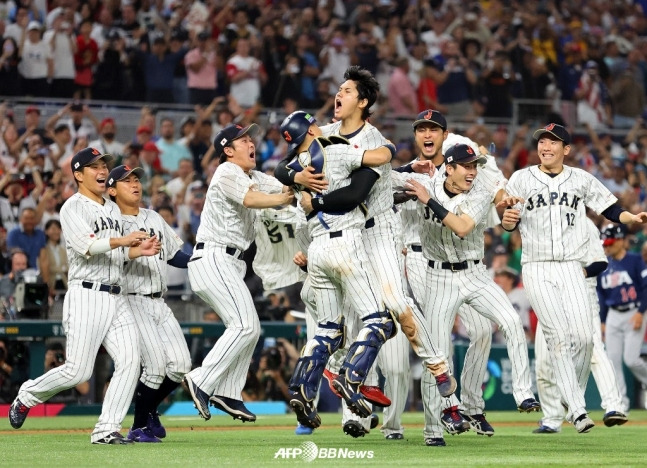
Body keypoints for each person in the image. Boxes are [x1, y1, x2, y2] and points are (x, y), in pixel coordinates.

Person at [497, 123, 647, 433]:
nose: (546, 146)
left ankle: (570, 398)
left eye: (553, 142)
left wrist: (629, 217)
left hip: (570, 267)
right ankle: (577, 410)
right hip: (537, 265)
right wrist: (508, 220)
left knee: (584, 339)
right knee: (559, 338)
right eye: (542, 141)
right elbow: (508, 217)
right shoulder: (521, 178)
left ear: (566, 149)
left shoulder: (580, 178)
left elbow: (609, 206)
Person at [8, 147, 161, 445]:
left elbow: (115, 252)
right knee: (78, 372)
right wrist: (123, 240)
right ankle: (27, 394)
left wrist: (134, 251)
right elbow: (88, 246)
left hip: (117, 295)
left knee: (131, 361)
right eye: (94, 166)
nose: (102, 170)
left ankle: (106, 429)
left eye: (103, 164)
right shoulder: (72, 207)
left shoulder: (113, 208)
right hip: (86, 294)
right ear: (78, 174)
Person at [404, 144, 540, 447]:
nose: (472, 171)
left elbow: (463, 227)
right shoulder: (426, 183)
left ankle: (523, 393)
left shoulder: (478, 191)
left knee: (511, 321)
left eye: (474, 165)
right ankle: (432, 430)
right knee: (437, 356)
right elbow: (386, 182)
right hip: (438, 276)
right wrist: (405, 177)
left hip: (475, 273)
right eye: (465, 166)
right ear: (448, 168)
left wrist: (429, 202)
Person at [277, 109, 401, 430]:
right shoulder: (335, 148)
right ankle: (351, 376)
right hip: (346, 243)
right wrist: (389, 147)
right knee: (380, 321)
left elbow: (280, 170)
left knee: (328, 329)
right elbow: (381, 157)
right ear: (311, 129)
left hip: (316, 250)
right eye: (314, 123)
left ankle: (302, 389)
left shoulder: (293, 167)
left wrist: (296, 179)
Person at [182, 123, 294, 423]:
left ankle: (229, 392)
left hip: (230, 262)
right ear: (228, 150)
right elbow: (252, 200)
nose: (250, 143)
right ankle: (201, 380)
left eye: (250, 139)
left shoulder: (252, 176)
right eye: (243, 139)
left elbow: (285, 188)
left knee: (250, 328)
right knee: (245, 326)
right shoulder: (226, 171)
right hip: (214, 255)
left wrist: (299, 178)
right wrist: (283, 198)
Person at [106, 164, 192, 443]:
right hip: (131, 300)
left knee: (180, 364)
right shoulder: (111, 221)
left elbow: (175, 254)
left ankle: (150, 409)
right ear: (112, 190)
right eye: (126, 181)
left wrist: (203, 260)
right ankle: (139, 426)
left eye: (136, 179)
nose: (135, 184)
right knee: (154, 367)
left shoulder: (153, 216)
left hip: (159, 300)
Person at [533, 219, 628, 433]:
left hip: (582, 292)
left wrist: (575, 275)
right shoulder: (540, 220)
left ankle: (613, 405)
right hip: (549, 294)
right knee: (544, 361)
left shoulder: (584, 225)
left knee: (593, 349)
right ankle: (552, 418)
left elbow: (600, 262)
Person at [597, 224, 647, 412]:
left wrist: (641, 312)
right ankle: (620, 404)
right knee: (612, 361)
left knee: (631, 359)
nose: (606, 247)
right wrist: (602, 321)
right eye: (605, 244)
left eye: (609, 243)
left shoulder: (634, 260)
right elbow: (601, 295)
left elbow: (645, 288)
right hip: (613, 315)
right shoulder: (603, 264)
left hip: (634, 311)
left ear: (620, 241)